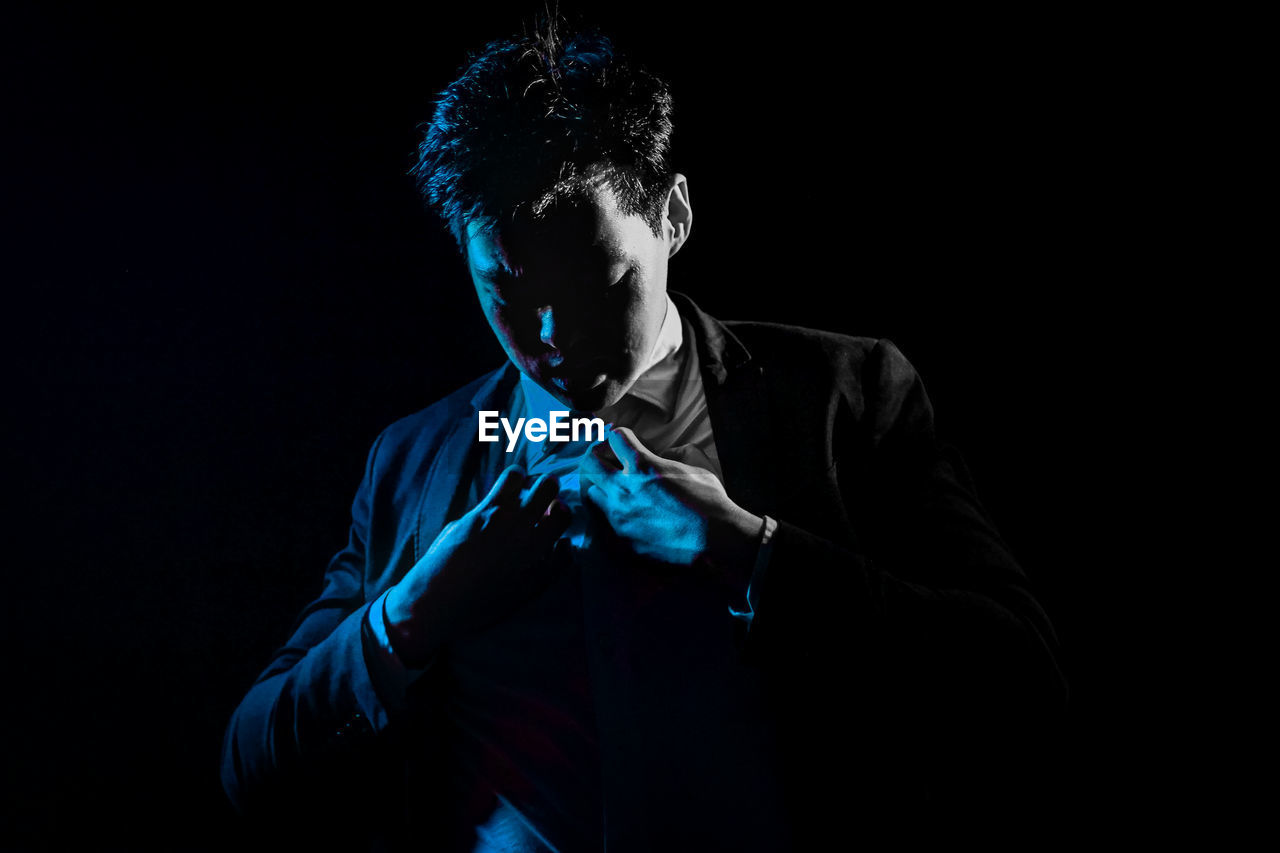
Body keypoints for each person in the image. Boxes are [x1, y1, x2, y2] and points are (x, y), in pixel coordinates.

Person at [221, 23, 1067, 852]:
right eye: (508, 295)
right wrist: (410, 613)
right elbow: (250, 763)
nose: (552, 333)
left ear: (673, 216)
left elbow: (1023, 685)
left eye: (597, 282)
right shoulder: (411, 463)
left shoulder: (848, 399)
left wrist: (753, 552)